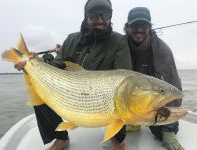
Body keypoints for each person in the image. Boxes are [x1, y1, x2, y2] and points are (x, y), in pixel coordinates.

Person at [15, 0, 132, 150]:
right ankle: (60, 138)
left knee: (124, 97)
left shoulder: (118, 41)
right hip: (72, 89)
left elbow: (125, 74)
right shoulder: (72, 39)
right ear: (85, 17)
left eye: (106, 16)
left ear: (111, 17)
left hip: (104, 92)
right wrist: (35, 64)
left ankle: (117, 138)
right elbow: (58, 65)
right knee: (41, 89)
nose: (100, 21)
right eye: (94, 16)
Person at [124, 7, 184, 150]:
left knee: (161, 132)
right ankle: (131, 121)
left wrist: (168, 130)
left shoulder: (162, 50)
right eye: (134, 25)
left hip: (149, 101)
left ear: (149, 27)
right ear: (127, 27)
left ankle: (166, 130)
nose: (139, 29)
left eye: (143, 25)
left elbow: (173, 89)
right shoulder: (119, 45)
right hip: (124, 100)